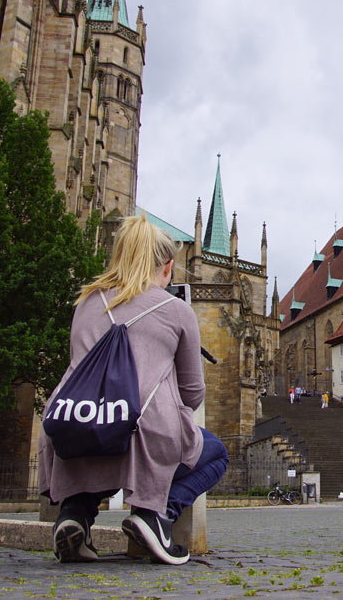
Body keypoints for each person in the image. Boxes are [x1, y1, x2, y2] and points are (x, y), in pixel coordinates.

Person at [39, 215, 228, 565]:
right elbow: (192, 393)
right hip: (138, 435)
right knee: (214, 451)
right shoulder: (177, 310)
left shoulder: (85, 303)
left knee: (106, 435)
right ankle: (153, 515)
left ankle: (75, 513)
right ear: (168, 266)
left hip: (72, 431)